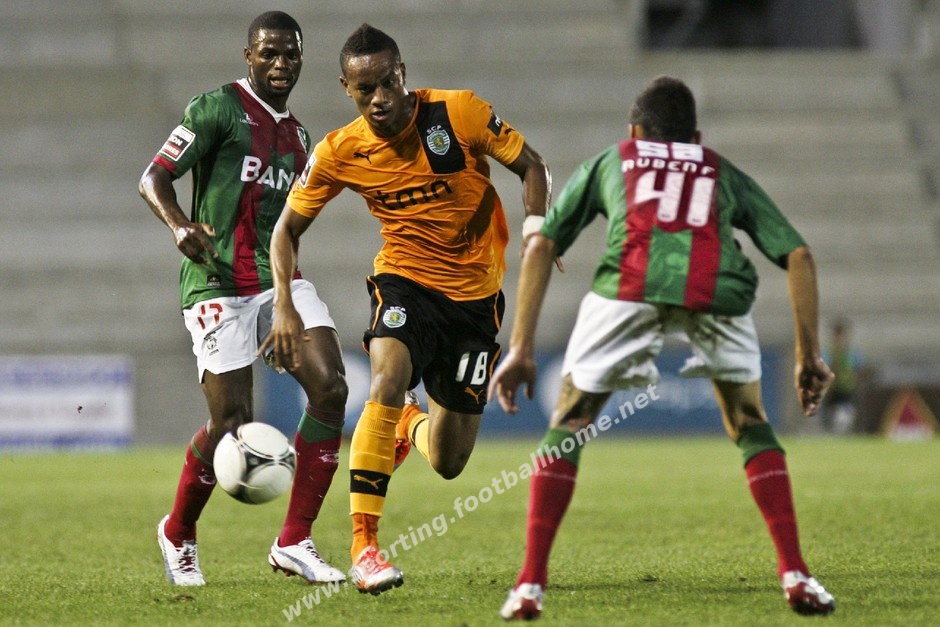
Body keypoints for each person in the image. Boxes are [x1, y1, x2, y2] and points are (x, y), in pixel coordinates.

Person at [489, 76, 837, 619]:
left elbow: (542, 245)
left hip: (629, 286)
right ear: (694, 139)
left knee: (571, 421)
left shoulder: (614, 160)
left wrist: (520, 349)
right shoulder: (718, 169)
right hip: (716, 289)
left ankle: (530, 584)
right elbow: (799, 255)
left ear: (634, 132)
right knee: (749, 423)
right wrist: (808, 354)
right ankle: (797, 575)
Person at [261, 23, 551, 595]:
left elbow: (533, 166)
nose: (379, 98)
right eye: (364, 89)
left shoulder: (459, 113)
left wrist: (537, 231)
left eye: (387, 83)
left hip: (475, 299)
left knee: (447, 460)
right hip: (405, 282)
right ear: (346, 88)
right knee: (386, 379)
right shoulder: (339, 151)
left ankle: (407, 424)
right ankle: (364, 547)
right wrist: (284, 304)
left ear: (403, 75)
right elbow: (285, 230)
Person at [139, 11, 348, 587]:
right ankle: (178, 530)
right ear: (248, 55)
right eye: (269, 53)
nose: (280, 64)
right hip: (216, 283)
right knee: (232, 421)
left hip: (277, 280)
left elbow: (288, 229)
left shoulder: (300, 137)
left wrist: (284, 304)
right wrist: (180, 226)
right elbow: (153, 178)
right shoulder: (215, 109)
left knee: (331, 387)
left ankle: (295, 541)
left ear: (302, 59)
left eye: (290, 54)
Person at [820, 318, 862, 434]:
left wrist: (856, 384)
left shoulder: (851, 353)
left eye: (841, 335)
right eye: (837, 335)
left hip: (846, 388)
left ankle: (844, 432)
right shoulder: (828, 352)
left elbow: (857, 369)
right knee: (829, 414)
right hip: (831, 389)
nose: (839, 338)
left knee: (845, 413)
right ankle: (831, 432)